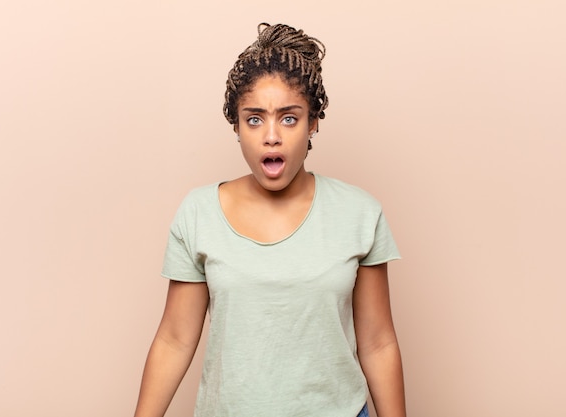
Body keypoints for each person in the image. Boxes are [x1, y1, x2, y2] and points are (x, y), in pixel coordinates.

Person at [134, 23, 406, 417]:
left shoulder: (360, 214)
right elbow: (175, 339)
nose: (272, 136)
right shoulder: (198, 214)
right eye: (255, 119)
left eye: (289, 119)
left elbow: (379, 342)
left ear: (313, 122)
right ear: (237, 126)